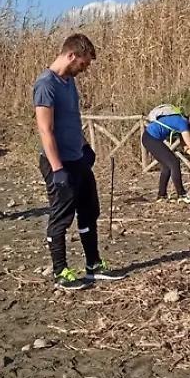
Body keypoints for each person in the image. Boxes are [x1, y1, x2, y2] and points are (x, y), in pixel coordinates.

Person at [34, 33, 124, 290]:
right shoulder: (45, 84)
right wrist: (57, 169)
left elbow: (72, 120)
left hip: (77, 158)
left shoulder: (68, 82)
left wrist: (85, 147)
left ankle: (93, 265)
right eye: (83, 63)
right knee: (61, 216)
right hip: (59, 163)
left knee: (89, 211)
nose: (84, 69)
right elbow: (45, 129)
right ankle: (61, 272)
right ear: (71, 55)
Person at [141, 105, 190, 203]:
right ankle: (181, 194)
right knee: (174, 163)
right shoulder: (183, 124)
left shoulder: (183, 122)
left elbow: (186, 148)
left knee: (167, 166)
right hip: (151, 138)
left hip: (149, 138)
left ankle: (161, 196)